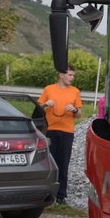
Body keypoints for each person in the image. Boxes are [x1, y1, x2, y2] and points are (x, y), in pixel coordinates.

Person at [37, 65, 83, 204]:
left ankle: (61, 195)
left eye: (73, 75)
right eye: (70, 75)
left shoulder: (75, 91)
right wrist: (45, 104)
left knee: (64, 162)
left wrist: (74, 110)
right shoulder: (49, 89)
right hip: (50, 130)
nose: (72, 78)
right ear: (61, 75)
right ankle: (47, 193)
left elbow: (80, 114)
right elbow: (37, 108)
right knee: (49, 162)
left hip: (67, 132)